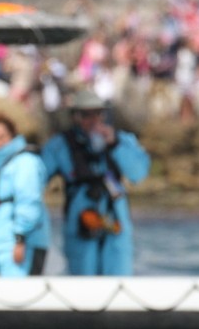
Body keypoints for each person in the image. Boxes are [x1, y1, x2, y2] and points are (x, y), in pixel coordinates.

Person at [40, 89, 150, 276]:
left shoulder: (121, 140)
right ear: (75, 116)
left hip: (115, 220)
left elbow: (138, 173)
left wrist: (114, 144)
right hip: (81, 221)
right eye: (85, 115)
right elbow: (37, 175)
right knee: (84, 284)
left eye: (97, 113)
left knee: (118, 278)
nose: (92, 120)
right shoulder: (61, 145)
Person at [0, 113, 50, 277]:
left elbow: (29, 202)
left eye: (2, 137)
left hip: (22, 243)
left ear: (13, 134)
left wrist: (20, 238)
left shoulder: (25, 162)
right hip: (1, 241)